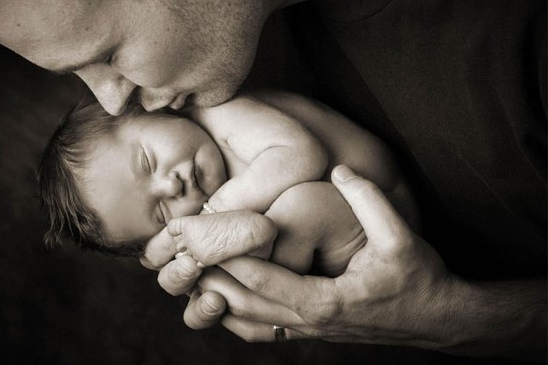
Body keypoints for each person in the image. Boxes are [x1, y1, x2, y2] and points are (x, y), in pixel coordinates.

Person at [0, 0, 546, 362]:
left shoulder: (520, 1)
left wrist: (453, 319)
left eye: (107, 55)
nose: (109, 102)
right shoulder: (211, 63)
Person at [38, 91, 417, 277]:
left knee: (298, 208)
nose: (171, 187)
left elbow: (304, 155)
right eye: (160, 212)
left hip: (385, 209)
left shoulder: (220, 114)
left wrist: (214, 212)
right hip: (356, 264)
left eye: (148, 162)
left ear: (149, 110)